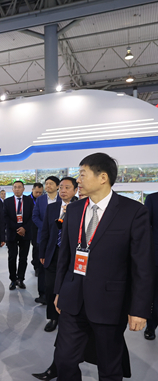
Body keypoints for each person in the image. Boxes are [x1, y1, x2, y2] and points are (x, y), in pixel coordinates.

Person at [54, 152, 153, 381]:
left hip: (110, 304)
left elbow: (142, 265)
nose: (78, 180)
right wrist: (59, 290)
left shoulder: (133, 212)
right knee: (64, 360)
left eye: (82, 174)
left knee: (109, 367)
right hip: (73, 300)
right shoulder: (74, 210)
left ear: (103, 177)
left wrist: (139, 309)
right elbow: (65, 256)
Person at [39, 177, 77, 333]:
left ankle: (67, 317)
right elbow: (45, 231)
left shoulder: (80, 207)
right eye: (61, 187)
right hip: (53, 252)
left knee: (69, 287)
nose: (63, 190)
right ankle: (53, 317)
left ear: (75, 190)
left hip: (71, 254)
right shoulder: (52, 208)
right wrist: (42, 252)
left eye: (67, 187)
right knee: (50, 287)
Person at [3, 181, 34, 290]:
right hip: (12, 233)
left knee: (23, 257)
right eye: (15, 187)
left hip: (26, 233)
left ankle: (21, 279)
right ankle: (13, 280)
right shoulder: (7, 201)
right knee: (12, 257)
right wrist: (17, 228)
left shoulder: (29, 201)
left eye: (19, 187)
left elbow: (32, 216)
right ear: (12, 189)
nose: (17, 189)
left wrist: (24, 228)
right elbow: (5, 217)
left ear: (23, 189)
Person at [145, 192, 158, 340]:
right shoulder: (153, 199)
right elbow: (145, 227)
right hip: (156, 255)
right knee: (154, 294)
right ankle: (151, 325)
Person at [30, 182, 45, 303]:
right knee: (36, 248)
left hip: (43, 229)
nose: (39, 194)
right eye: (37, 192)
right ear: (32, 190)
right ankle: (36, 265)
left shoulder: (44, 200)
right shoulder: (29, 200)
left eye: (40, 192)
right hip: (33, 229)